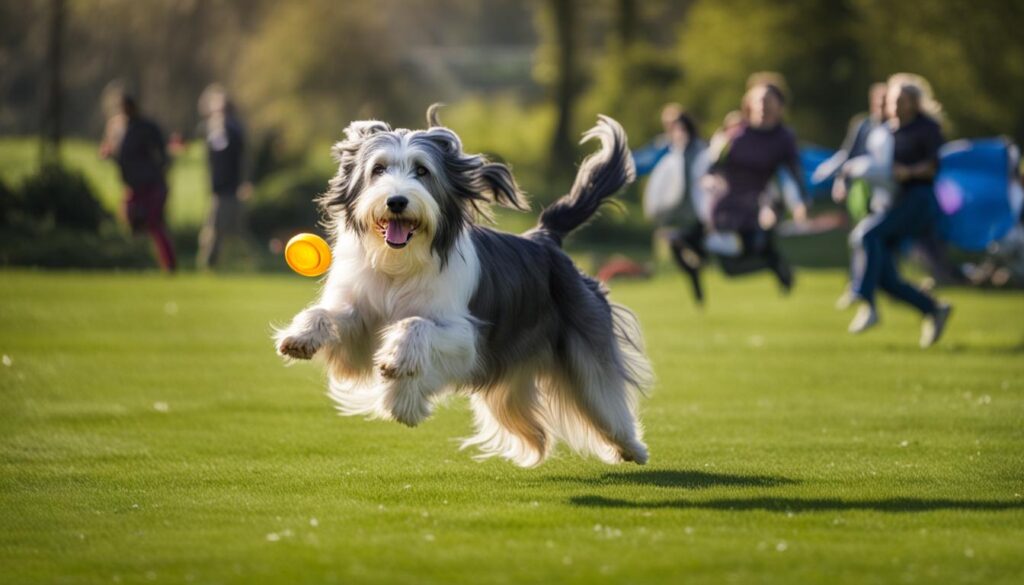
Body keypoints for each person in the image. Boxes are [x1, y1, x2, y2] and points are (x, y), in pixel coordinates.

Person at [847, 73, 952, 347]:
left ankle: (864, 300)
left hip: (918, 199)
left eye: (900, 100)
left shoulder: (926, 128)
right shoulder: (886, 130)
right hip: (893, 201)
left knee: (867, 235)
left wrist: (908, 171)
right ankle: (933, 309)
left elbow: (933, 164)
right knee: (885, 277)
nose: (894, 105)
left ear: (914, 103)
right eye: (892, 100)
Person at [700, 77, 808, 292]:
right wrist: (710, 180)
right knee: (730, 268)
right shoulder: (734, 135)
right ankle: (772, 262)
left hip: (757, 205)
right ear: (748, 104)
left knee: (755, 248)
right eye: (758, 101)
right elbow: (711, 168)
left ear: (779, 106)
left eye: (768, 101)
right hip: (726, 205)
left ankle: (773, 259)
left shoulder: (784, 138)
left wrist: (800, 203)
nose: (762, 106)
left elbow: (794, 173)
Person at [100, 90, 176, 272]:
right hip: (133, 186)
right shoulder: (117, 128)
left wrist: (160, 172)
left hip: (152, 185)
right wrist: (109, 155)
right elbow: (117, 155)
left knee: (153, 223)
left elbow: (163, 154)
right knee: (130, 218)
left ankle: (169, 265)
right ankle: (136, 260)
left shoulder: (146, 127)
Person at [195, 84, 252, 269]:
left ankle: (211, 264)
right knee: (227, 229)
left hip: (226, 188)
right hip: (224, 188)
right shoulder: (228, 128)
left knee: (219, 229)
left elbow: (230, 154)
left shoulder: (227, 128)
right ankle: (241, 262)